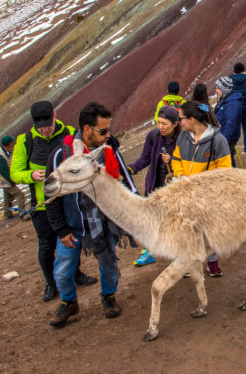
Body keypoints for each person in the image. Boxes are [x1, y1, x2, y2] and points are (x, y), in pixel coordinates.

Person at [45, 102, 137, 327]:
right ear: (87, 129)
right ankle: (69, 302)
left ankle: (108, 296)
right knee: (63, 270)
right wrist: (61, 229)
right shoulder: (61, 155)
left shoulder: (108, 151)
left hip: (103, 222)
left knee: (108, 264)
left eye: (109, 130)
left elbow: (125, 180)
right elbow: (51, 196)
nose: (108, 135)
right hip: (73, 225)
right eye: (103, 131)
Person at [10, 101, 96, 302]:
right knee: (47, 245)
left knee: (71, 239)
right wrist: (31, 175)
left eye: (48, 125)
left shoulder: (68, 132)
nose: (46, 130)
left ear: (54, 115)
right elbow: (15, 172)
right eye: (41, 127)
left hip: (69, 200)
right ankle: (51, 283)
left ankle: (76, 274)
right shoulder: (25, 141)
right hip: (42, 203)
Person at [172, 101, 232, 276]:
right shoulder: (183, 137)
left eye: (181, 118)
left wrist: (203, 185)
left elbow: (225, 170)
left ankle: (212, 261)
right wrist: (180, 175)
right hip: (184, 191)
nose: (179, 122)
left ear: (191, 119)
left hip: (207, 196)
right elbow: (176, 158)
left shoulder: (218, 141)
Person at [126, 105, 182, 267]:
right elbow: (145, 158)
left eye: (164, 124)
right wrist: (131, 169)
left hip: (173, 186)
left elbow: (187, 161)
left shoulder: (183, 138)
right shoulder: (154, 136)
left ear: (175, 124)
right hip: (154, 183)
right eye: (159, 122)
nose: (161, 127)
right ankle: (149, 252)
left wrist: (172, 160)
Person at [0, 135, 27, 220]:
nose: (12, 143)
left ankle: (7, 214)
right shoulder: (1, 157)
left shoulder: (3, 152)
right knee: (20, 194)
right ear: (9, 144)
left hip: (3, 180)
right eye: (11, 142)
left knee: (7, 198)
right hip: (5, 181)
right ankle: (22, 214)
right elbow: (4, 172)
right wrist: (12, 181)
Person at [213, 76, 243, 166]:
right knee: (227, 158)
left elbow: (231, 124)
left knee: (227, 159)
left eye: (218, 88)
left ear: (224, 89)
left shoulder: (233, 103)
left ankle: (231, 176)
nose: (216, 90)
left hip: (227, 138)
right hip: (222, 135)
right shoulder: (225, 99)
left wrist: (223, 140)